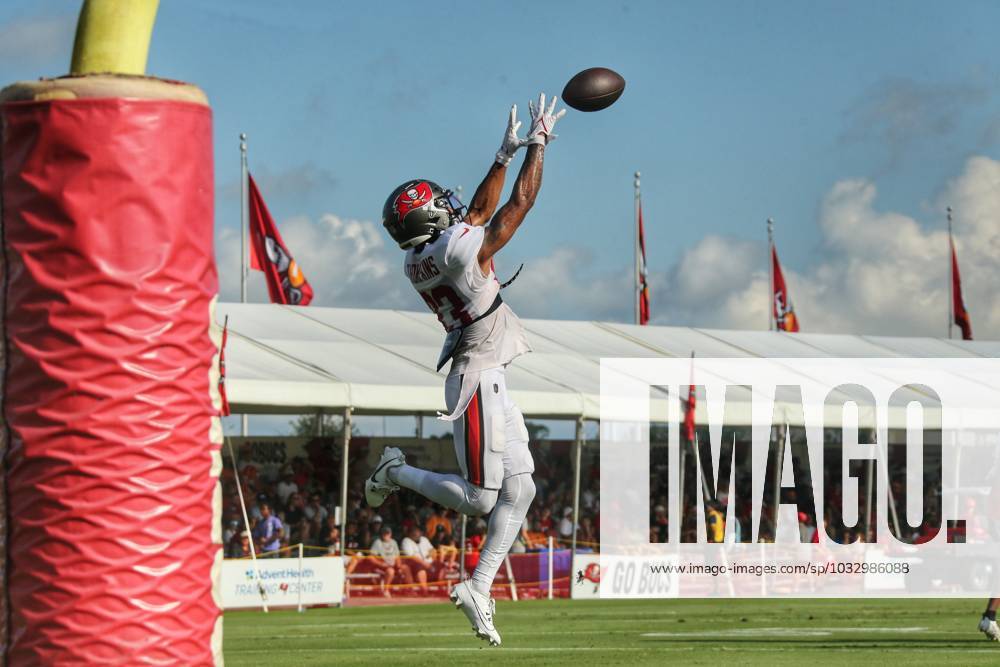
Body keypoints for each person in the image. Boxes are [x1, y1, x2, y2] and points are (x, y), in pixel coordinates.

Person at [366, 93, 564, 647]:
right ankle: (394, 471)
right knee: (482, 497)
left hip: (490, 373)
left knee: (519, 490)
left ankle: (479, 586)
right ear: (432, 218)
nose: (453, 208)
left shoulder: (419, 259)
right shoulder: (454, 251)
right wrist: (537, 146)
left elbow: (475, 215)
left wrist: (500, 155)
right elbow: (514, 208)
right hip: (476, 379)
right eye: (441, 205)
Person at [370, 526, 410, 598]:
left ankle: (410, 589)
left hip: (393, 564)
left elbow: (397, 555)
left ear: (390, 534)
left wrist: (399, 564)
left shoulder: (393, 542)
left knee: (405, 568)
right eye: (384, 534)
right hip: (382, 566)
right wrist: (381, 564)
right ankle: (386, 590)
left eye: (387, 534)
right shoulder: (377, 542)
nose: (386, 535)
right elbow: (371, 557)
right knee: (390, 571)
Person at [400, 526, 436, 594]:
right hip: (414, 566)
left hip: (429, 564)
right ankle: (425, 591)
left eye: (417, 532)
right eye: (414, 532)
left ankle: (440, 591)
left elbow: (433, 550)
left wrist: (431, 558)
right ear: (410, 533)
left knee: (443, 565)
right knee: (420, 570)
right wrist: (424, 564)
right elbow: (411, 557)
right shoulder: (406, 541)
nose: (416, 534)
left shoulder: (424, 539)